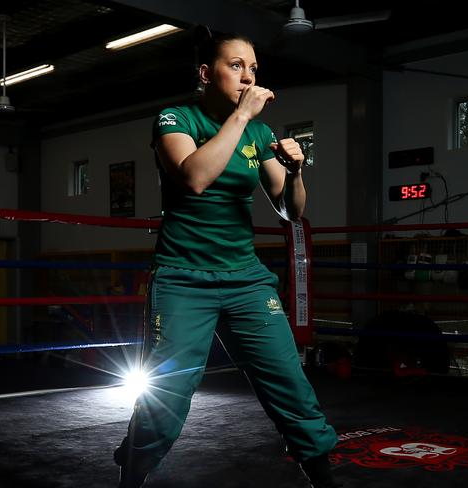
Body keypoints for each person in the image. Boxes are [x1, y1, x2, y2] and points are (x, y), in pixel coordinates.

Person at [114, 30, 341, 488]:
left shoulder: (258, 132)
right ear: (205, 73)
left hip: (245, 280)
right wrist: (241, 115)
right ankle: (131, 477)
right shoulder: (175, 119)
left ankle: (324, 481)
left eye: (253, 68)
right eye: (236, 65)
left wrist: (296, 171)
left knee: (291, 387)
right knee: (167, 397)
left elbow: (289, 209)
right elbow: (194, 177)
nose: (247, 75)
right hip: (182, 279)